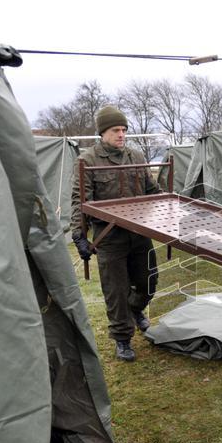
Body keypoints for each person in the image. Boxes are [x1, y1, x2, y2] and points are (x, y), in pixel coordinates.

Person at [71, 105, 162, 362]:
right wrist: (79, 235)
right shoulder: (88, 161)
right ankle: (122, 338)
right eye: (115, 130)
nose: (121, 135)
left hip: (139, 231)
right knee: (116, 290)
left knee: (148, 282)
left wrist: (172, 206)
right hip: (109, 236)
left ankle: (135, 310)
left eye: (123, 130)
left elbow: (153, 191)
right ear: (102, 133)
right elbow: (80, 200)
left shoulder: (136, 156)